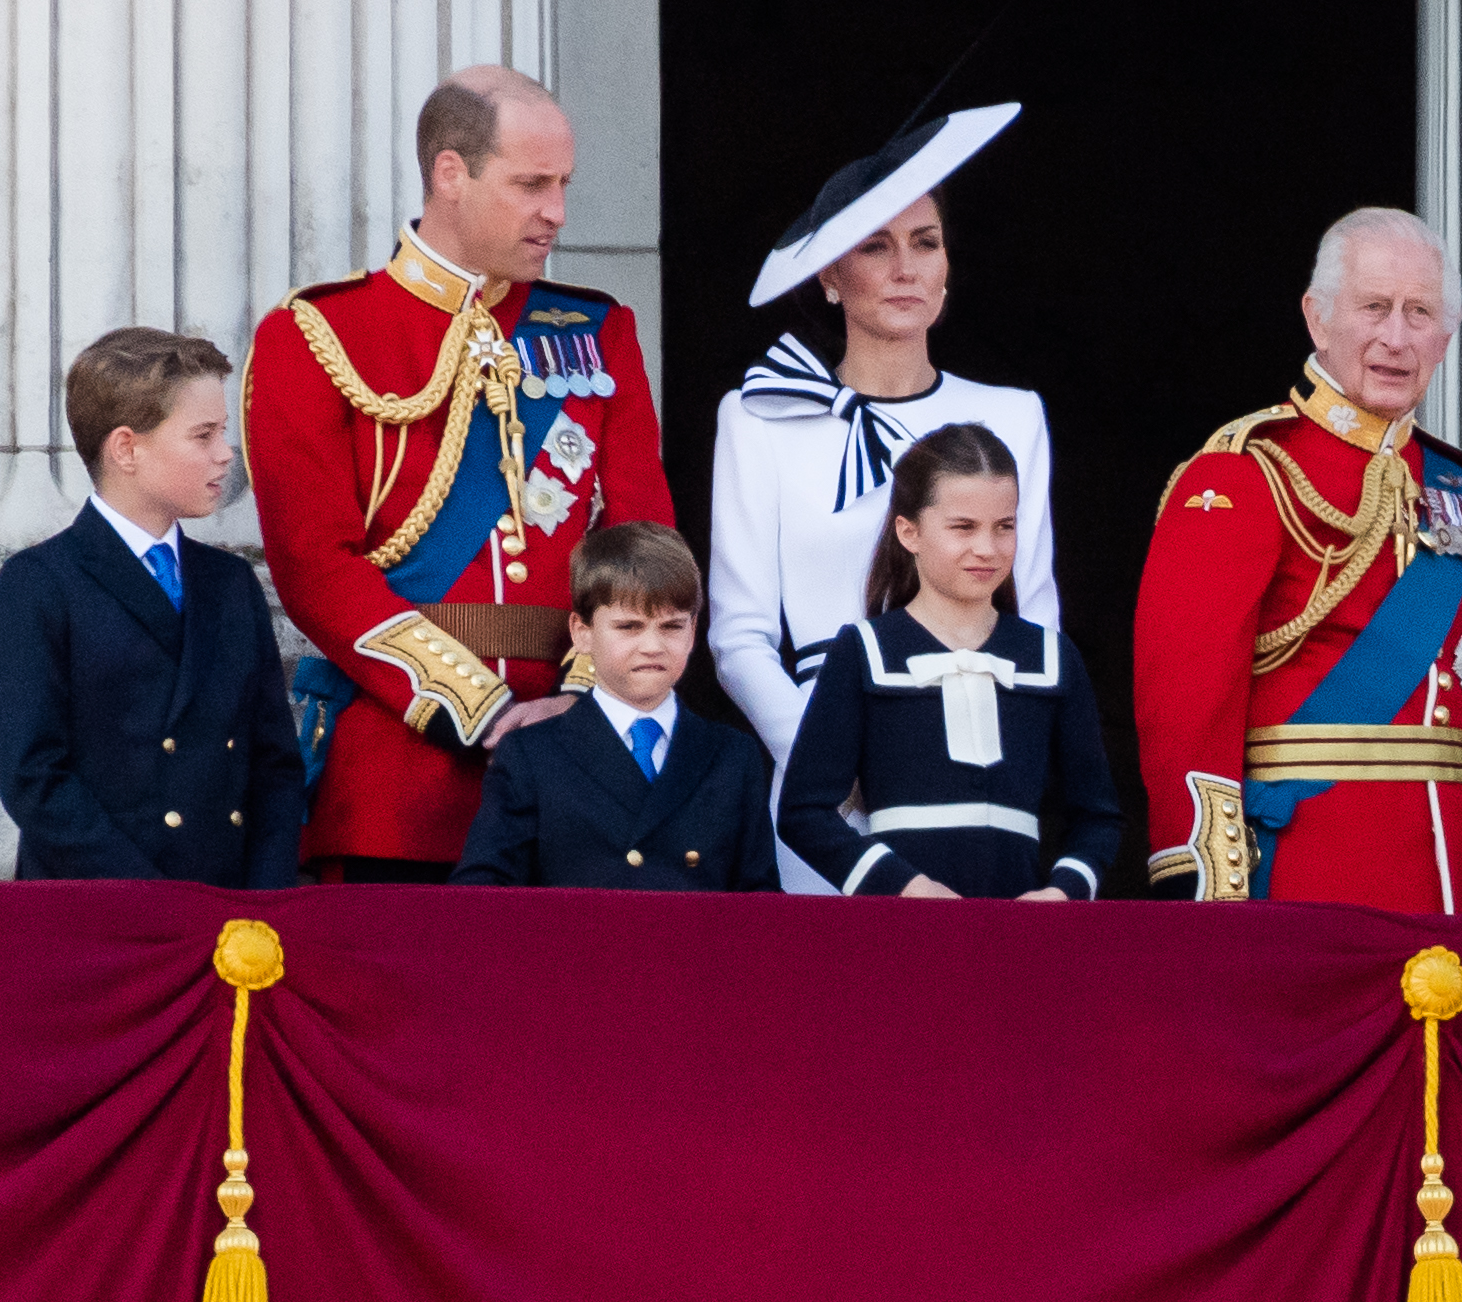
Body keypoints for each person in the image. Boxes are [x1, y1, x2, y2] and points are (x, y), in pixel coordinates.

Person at [247, 65, 675, 883]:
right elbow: (312, 564)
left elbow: (641, 542)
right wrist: (478, 709)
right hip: (394, 785)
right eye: (531, 184)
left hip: (574, 777)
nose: (557, 211)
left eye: (564, 184)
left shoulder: (597, 330)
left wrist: (581, 703)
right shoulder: (317, 333)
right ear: (451, 173)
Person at [1134, 207, 1462, 912]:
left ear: (1445, 337)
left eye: (1420, 312)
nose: (1395, 337)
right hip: (1303, 878)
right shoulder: (1245, 474)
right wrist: (1209, 883)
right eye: (1374, 308)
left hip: (1454, 884)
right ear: (1317, 318)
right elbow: (1185, 708)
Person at [711, 103, 1060, 893]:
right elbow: (739, 636)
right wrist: (833, 762)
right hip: (826, 787)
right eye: (875, 245)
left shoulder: (1012, 415)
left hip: (975, 765)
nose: (905, 267)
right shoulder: (761, 418)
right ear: (829, 275)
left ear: (947, 267)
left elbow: (1034, 614)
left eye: (925, 243)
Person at [0, 328, 304, 886]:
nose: (226, 453)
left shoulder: (231, 583)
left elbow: (273, 764)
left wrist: (264, 900)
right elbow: (34, 778)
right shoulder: (40, 583)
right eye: (203, 435)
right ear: (127, 448)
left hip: (230, 911)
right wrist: (154, 899)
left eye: (223, 433)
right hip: (100, 913)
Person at [778, 425, 1118, 899]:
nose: (987, 548)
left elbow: (1097, 816)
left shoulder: (1052, 658)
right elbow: (803, 812)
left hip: (1021, 940)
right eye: (963, 527)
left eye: (1005, 526)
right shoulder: (863, 650)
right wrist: (903, 887)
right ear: (909, 532)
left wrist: (1061, 892)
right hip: (902, 935)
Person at [452, 523, 777, 890]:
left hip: (694, 947)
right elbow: (480, 899)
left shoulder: (733, 756)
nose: (652, 645)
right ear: (582, 633)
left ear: (693, 631)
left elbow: (759, 905)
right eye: (629, 627)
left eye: (671, 626)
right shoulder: (531, 755)